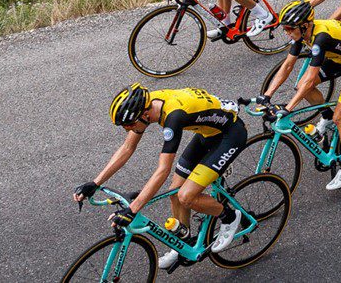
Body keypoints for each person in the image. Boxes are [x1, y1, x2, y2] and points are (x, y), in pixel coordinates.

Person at [79, 84, 248, 270]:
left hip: (230, 136)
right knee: (174, 193)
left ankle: (230, 217)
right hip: (207, 133)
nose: (128, 130)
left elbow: (163, 170)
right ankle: (184, 242)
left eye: (129, 125)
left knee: (186, 196)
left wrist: (133, 210)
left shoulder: (173, 116)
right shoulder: (148, 105)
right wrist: (95, 182)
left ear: (144, 115)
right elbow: (127, 148)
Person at [255, 0, 341, 190]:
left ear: (305, 26)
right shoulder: (301, 34)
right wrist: (267, 95)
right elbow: (287, 66)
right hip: (338, 58)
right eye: (284, 29)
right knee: (301, 86)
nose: (287, 33)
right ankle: (326, 117)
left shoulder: (320, 38)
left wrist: (288, 108)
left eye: (289, 28)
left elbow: (311, 78)